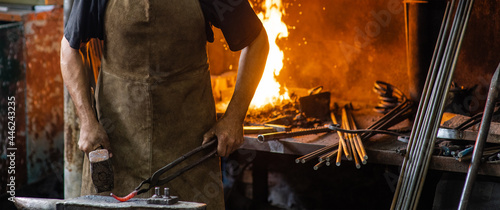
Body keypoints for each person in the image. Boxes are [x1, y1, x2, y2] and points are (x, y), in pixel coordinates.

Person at [60, 0, 269, 208]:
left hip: (189, 152)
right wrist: (87, 121)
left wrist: (234, 117)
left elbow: (257, 41)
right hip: (117, 148)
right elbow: (69, 49)